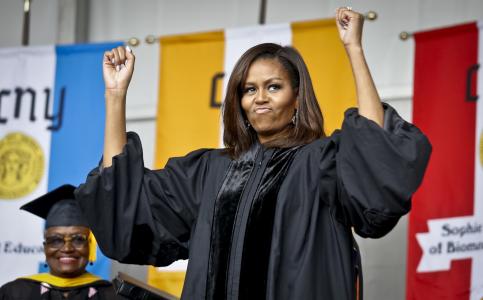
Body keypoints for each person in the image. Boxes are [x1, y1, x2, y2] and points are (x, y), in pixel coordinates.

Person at [75, 7, 431, 300]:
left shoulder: (322, 162)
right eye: (249, 90)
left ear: (296, 98)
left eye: (273, 87)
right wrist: (116, 97)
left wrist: (354, 49)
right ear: (239, 102)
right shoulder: (209, 171)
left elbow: (375, 148)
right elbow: (123, 199)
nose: (259, 98)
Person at [0, 185, 121, 300]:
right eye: (56, 240)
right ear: (45, 247)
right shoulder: (13, 294)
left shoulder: (113, 296)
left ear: (90, 245)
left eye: (78, 239)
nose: (67, 249)